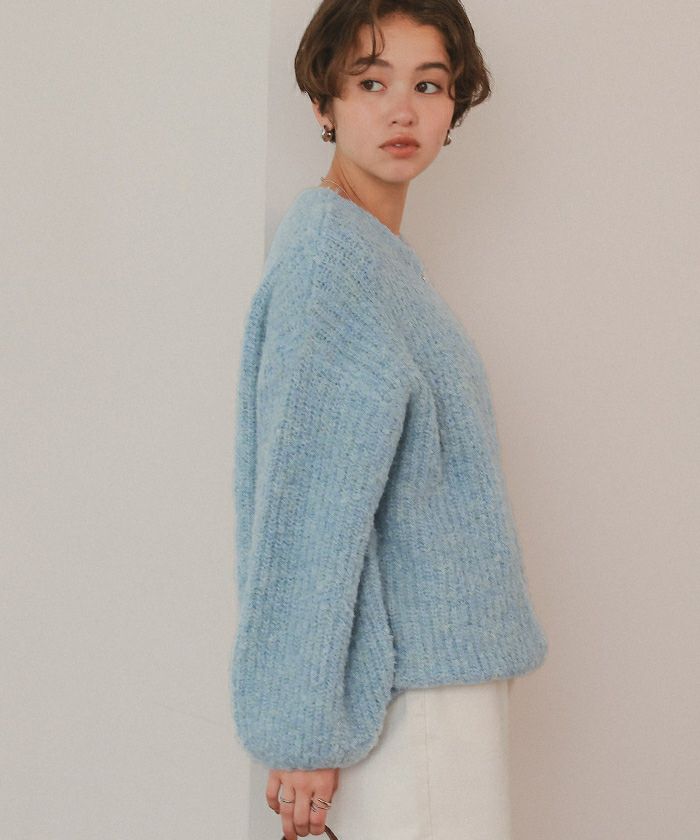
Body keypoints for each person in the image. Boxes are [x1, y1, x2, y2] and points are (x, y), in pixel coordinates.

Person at [228, 2, 549, 838]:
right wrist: (301, 730)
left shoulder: (376, 259)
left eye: (429, 85)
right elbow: (305, 513)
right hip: (410, 703)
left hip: (439, 685)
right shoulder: (330, 263)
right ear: (323, 103)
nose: (403, 110)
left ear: (454, 106)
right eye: (371, 83)